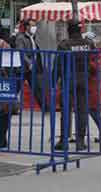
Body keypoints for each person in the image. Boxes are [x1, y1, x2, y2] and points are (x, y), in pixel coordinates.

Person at [55, 21, 96, 151]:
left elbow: (58, 64)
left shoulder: (64, 44)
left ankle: (64, 141)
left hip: (68, 80)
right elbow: (93, 60)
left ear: (69, 30)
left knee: (66, 110)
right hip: (83, 79)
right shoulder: (88, 44)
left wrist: (53, 80)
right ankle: (80, 142)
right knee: (82, 110)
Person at [14, 19, 45, 109]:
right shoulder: (21, 37)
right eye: (32, 25)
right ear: (27, 27)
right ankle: (6, 105)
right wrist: (29, 63)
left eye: (35, 25)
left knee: (36, 88)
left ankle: (45, 107)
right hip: (23, 67)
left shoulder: (32, 37)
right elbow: (21, 52)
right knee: (16, 87)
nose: (34, 28)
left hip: (31, 67)